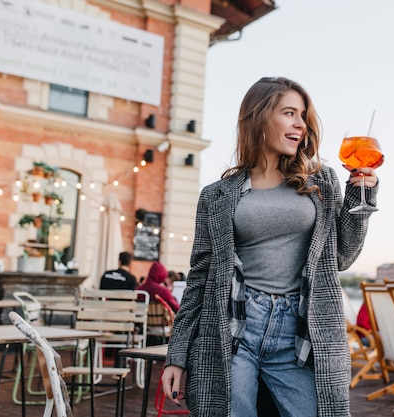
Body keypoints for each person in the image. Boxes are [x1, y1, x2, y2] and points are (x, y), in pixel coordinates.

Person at [161, 76, 379, 416]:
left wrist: (360, 195)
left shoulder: (321, 181)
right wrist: (177, 355)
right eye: (289, 113)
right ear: (260, 117)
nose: (300, 124)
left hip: (299, 332)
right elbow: (199, 278)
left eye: (303, 115)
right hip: (234, 326)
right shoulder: (216, 196)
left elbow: (341, 257)